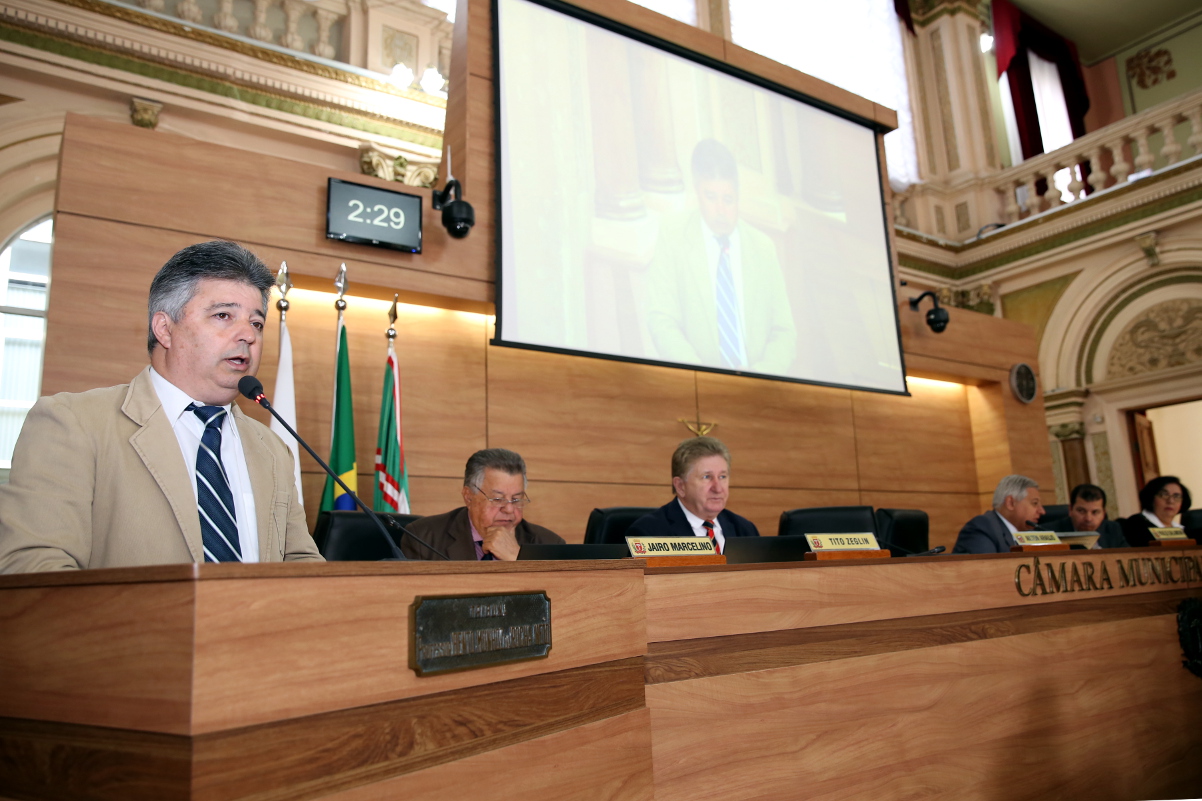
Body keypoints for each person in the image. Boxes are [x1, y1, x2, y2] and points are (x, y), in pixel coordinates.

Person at [0, 240, 323, 573]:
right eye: (223, 315)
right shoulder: (73, 424)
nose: (248, 335)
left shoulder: (271, 448)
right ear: (165, 329)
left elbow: (300, 562)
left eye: (256, 323)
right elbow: (33, 568)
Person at [643, 139, 796, 374]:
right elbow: (662, 320)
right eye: (711, 197)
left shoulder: (763, 248)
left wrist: (762, 376)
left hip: (758, 387)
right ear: (697, 192)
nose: (721, 210)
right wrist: (703, 379)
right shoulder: (673, 237)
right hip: (697, 386)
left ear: (738, 196)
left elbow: (783, 331)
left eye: (728, 199)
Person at [402, 448, 563, 560]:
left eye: (516, 499)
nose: (509, 509)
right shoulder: (423, 538)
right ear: (469, 497)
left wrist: (517, 558)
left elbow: (561, 603)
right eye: (498, 499)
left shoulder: (549, 544)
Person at [627, 436, 759, 554]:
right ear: (680, 486)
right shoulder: (649, 533)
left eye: (722, 476)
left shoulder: (745, 530)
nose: (718, 488)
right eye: (707, 477)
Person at [952, 474, 1045, 554]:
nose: (1042, 511)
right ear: (1011, 503)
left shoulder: (1030, 532)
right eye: (1035, 503)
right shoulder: (983, 527)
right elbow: (988, 570)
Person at [1119, 476, 1192, 548]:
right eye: (1164, 494)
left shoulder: (1186, 530)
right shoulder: (1136, 525)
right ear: (1151, 497)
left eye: (1176, 496)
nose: (1171, 501)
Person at [1050, 483, 1128, 548]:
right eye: (1081, 511)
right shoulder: (1051, 533)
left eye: (1095, 512)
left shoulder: (1113, 529)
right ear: (1070, 510)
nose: (1088, 519)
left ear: (1104, 513)